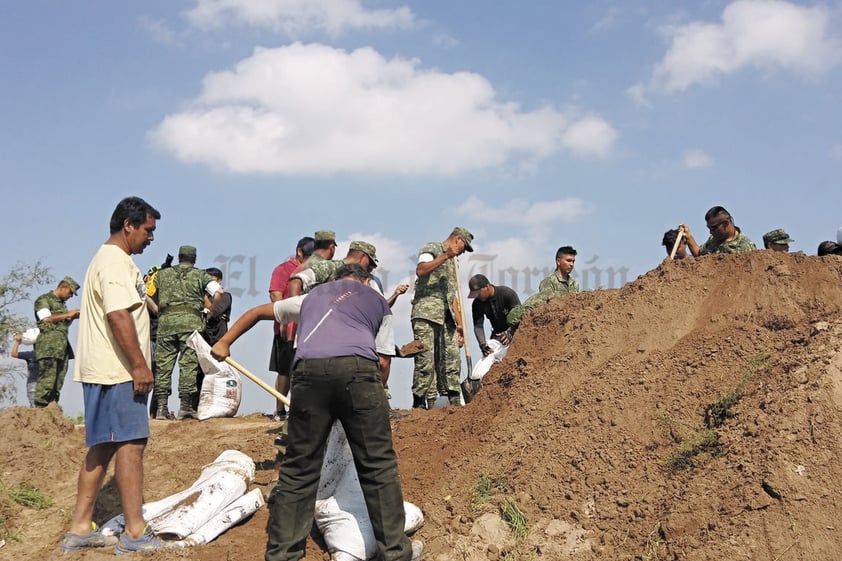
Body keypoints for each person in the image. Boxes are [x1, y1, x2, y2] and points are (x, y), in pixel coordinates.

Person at [209, 264, 422, 561]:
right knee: (377, 467)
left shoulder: (312, 297)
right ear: (364, 281)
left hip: (309, 373)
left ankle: (284, 555)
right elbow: (383, 362)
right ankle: (396, 554)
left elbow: (258, 312)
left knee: (299, 471)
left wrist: (224, 342)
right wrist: (368, 401)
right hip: (358, 372)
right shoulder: (376, 300)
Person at [60, 196, 162, 554]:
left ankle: (79, 528)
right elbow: (118, 316)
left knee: (101, 447)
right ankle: (134, 532)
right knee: (131, 445)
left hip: (100, 369)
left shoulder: (104, 260)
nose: (151, 238)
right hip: (118, 370)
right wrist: (138, 365)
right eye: (148, 230)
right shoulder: (116, 262)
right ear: (128, 226)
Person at [152, 245, 223, 420]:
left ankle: (161, 408)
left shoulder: (162, 274)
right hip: (191, 324)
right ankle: (185, 407)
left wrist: (157, 311)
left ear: (178, 258)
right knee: (188, 364)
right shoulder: (201, 275)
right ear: (195, 259)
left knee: (163, 365)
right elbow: (219, 293)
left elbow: (144, 293)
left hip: (166, 324)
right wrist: (209, 312)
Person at [410, 227, 474, 409]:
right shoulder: (432, 249)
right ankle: (420, 401)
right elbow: (421, 270)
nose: (463, 251)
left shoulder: (454, 263)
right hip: (427, 313)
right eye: (464, 246)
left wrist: (460, 324)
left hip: (447, 317)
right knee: (426, 359)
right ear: (457, 239)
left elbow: (452, 295)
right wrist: (446, 255)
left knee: (452, 359)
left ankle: (454, 400)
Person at [268, 236, 314, 420]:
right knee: (284, 370)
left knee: (302, 371)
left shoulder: (313, 270)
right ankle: (280, 409)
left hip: (307, 330)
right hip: (286, 328)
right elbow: (276, 297)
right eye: (308, 255)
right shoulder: (282, 270)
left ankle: (299, 409)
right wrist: (284, 323)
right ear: (299, 252)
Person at [32, 276, 80, 407]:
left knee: (57, 383)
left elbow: (62, 325)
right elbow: (45, 319)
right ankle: (40, 411)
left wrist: (71, 318)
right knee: (46, 381)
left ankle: (52, 410)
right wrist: (67, 314)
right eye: (70, 292)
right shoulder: (44, 300)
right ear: (63, 287)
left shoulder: (61, 305)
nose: (70, 296)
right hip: (48, 347)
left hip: (61, 348)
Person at [195, 267, 232, 410]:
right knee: (199, 373)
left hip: (218, 338)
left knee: (220, 371)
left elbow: (215, 313)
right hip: (204, 338)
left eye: (213, 280)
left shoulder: (225, 296)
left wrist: (205, 300)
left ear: (219, 281)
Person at [288, 241, 380, 296]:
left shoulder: (366, 280)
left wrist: (395, 295)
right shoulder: (329, 267)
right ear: (362, 257)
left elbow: (379, 304)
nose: (369, 268)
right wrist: (295, 313)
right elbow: (296, 280)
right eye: (370, 263)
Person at [467, 274, 520, 356]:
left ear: (487, 286)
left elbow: (520, 314)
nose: (477, 297)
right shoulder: (477, 304)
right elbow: (478, 326)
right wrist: (483, 345)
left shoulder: (507, 293)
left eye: (478, 293)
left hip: (515, 332)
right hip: (498, 336)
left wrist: (510, 332)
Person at [12, 333, 39, 406]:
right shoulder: (50, 355)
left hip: (32, 384)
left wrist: (17, 342)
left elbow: (14, 354)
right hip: (46, 384)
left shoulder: (31, 354)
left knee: (34, 407)